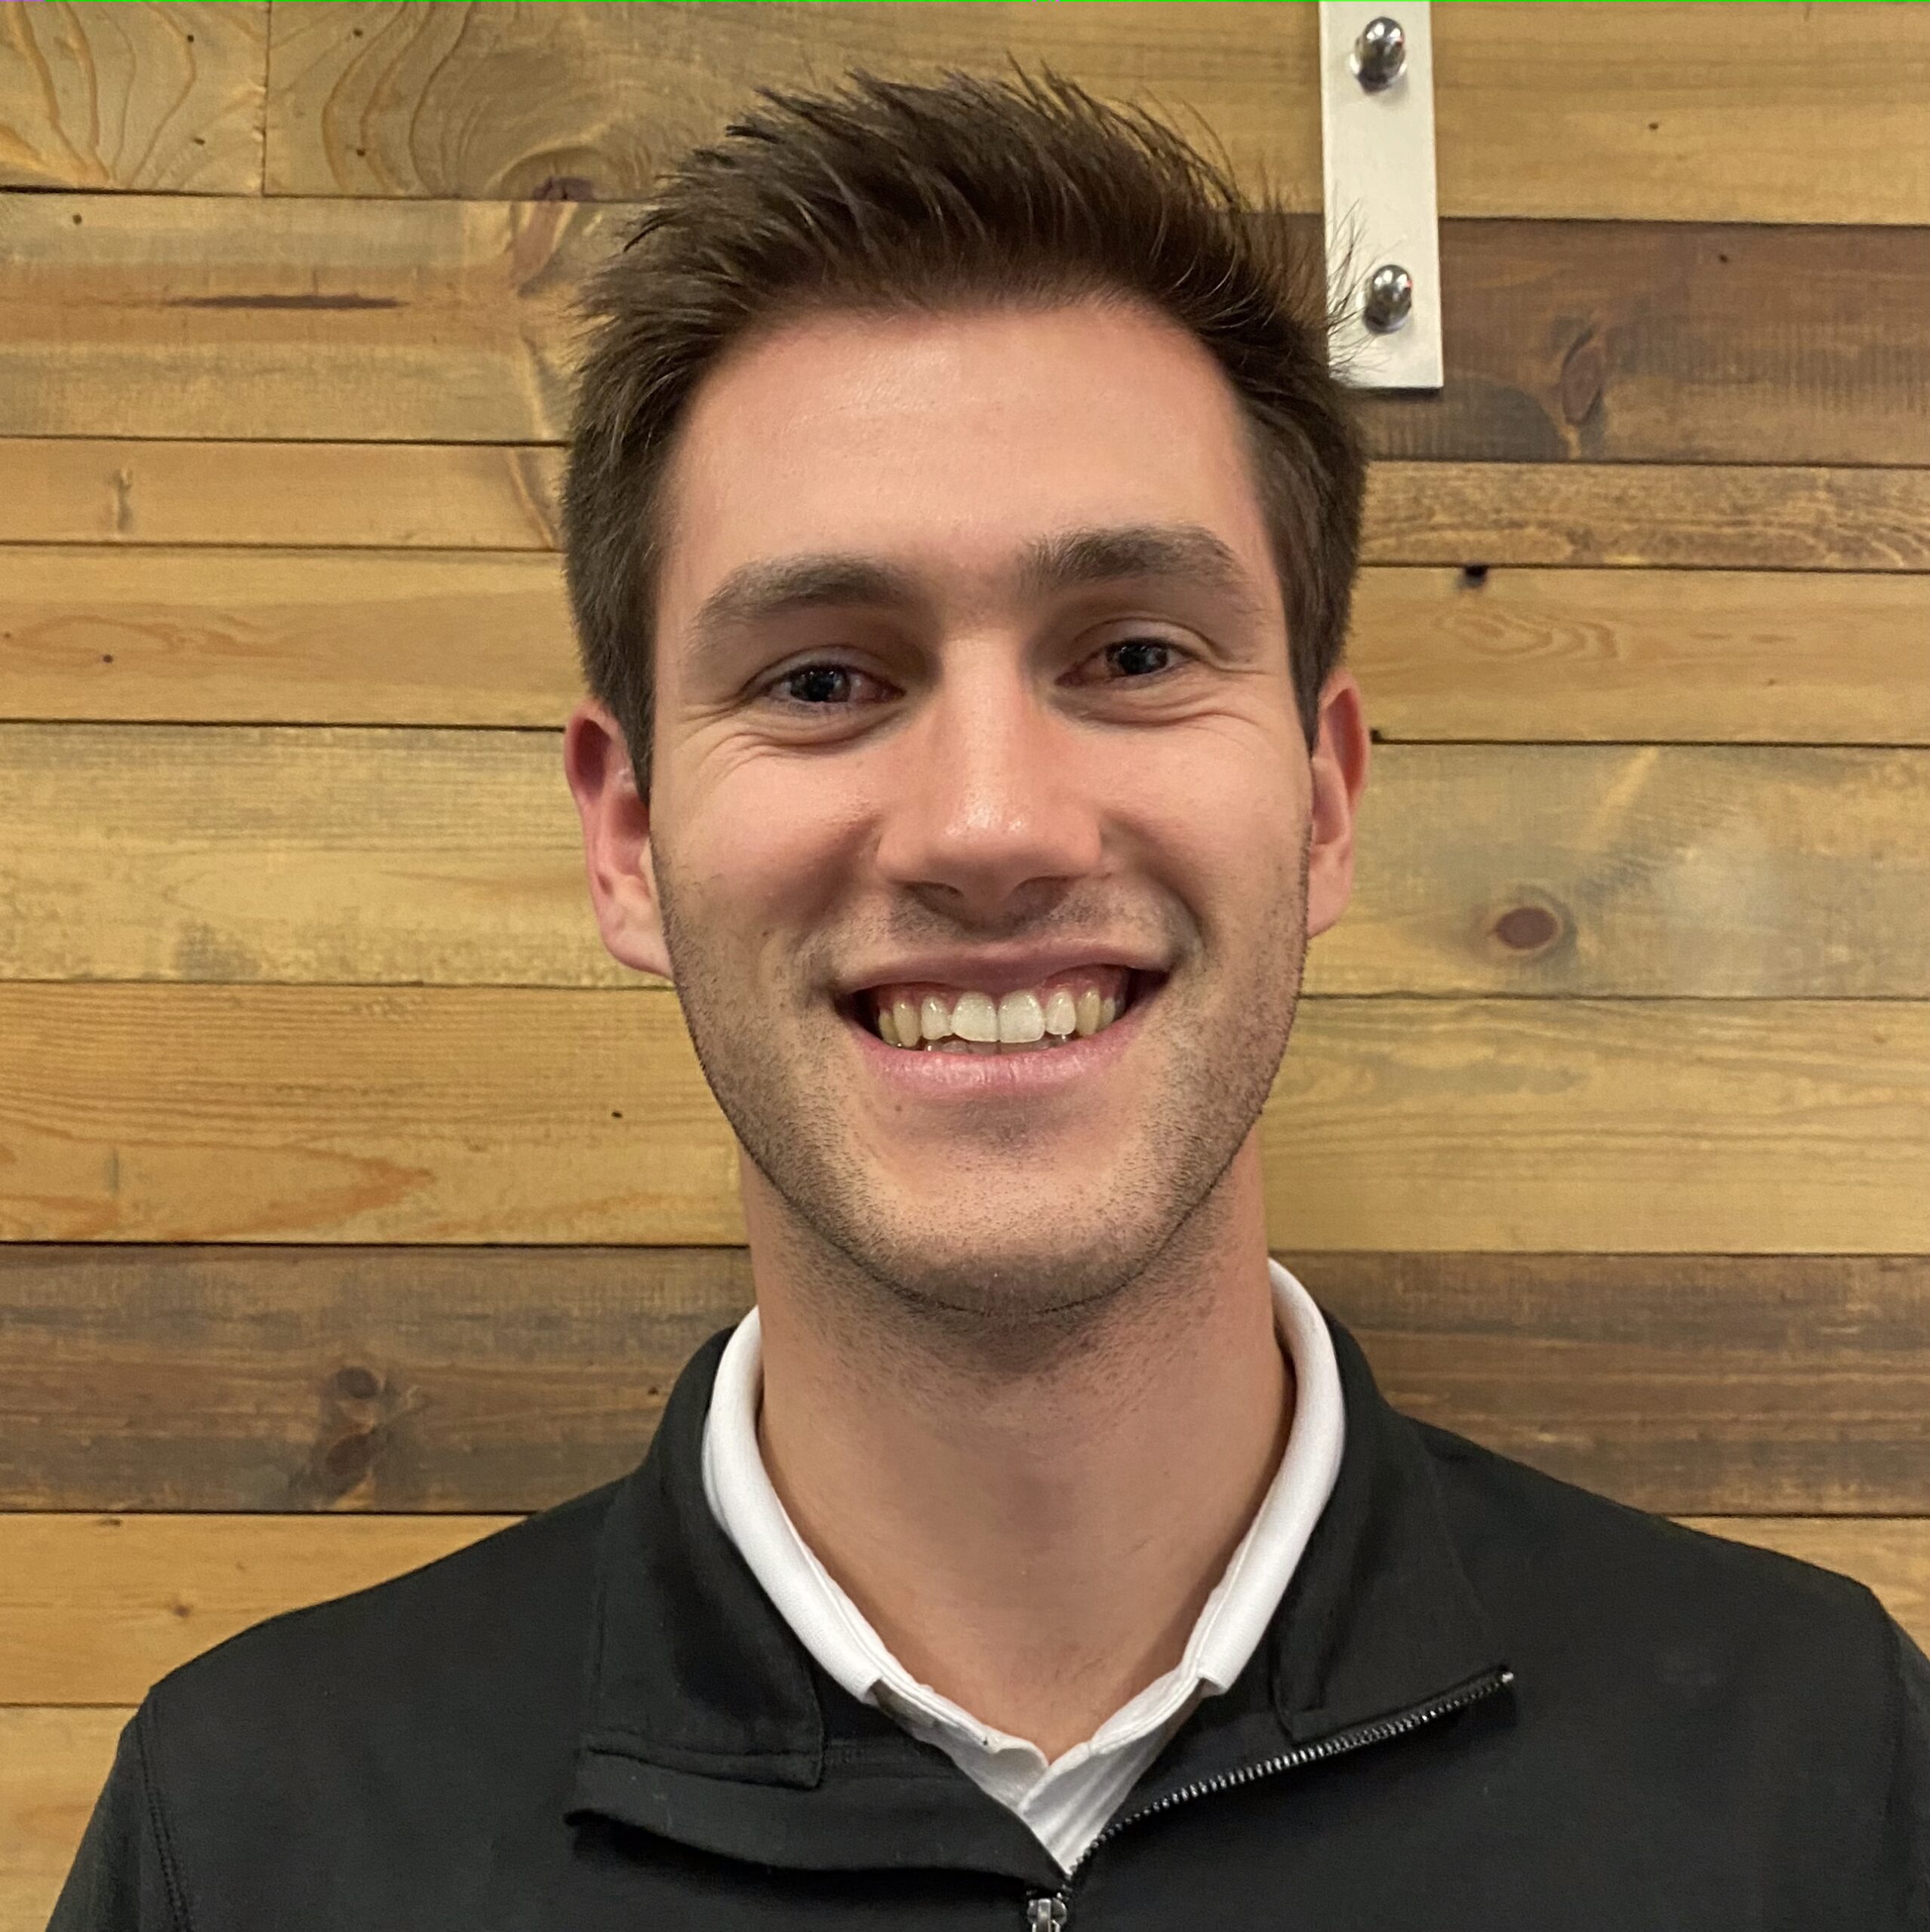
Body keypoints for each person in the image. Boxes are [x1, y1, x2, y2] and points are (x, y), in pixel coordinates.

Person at [51, 68, 1928, 1932]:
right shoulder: (257, 1835)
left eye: (1127, 652)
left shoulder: (1815, 1773)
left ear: (1327, 798)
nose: (989, 825)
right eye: (817, 679)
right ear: (627, 837)